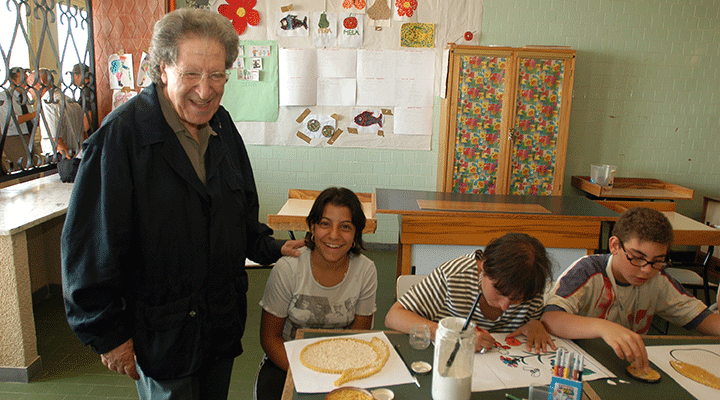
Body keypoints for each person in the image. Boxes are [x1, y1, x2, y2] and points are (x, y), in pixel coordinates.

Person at [61, 9, 304, 400]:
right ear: (162, 69)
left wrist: (272, 247)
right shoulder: (122, 139)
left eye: (216, 75)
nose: (205, 90)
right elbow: (89, 251)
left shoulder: (223, 127)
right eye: (191, 74)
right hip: (161, 334)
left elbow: (239, 216)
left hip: (219, 325)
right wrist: (109, 336)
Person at [542, 207, 720, 373]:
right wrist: (603, 328)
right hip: (579, 364)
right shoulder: (587, 271)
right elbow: (550, 318)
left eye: (658, 260)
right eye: (636, 258)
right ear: (615, 246)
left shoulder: (657, 280)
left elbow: (702, 318)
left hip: (626, 365)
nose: (647, 270)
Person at [256, 187, 378, 400]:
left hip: (343, 364)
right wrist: (312, 374)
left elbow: (358, 337)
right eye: (325, 224)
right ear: (312, 227)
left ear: (356, 233)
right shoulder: (288, 269)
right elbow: (270, 338)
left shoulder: (366, 271)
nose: (334, 235)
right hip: (287, 360)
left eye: (345, 227)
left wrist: (334, 375)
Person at [385, 232, 556, 354]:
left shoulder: (529, 286)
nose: (505, 306)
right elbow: (394, 316)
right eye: (499, 291)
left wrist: (535, 323)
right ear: (484, 267)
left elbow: (532, 323)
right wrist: (451, 336)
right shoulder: (453, 276)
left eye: (516, 300)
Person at [27, 68, 83, 158]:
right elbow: (83, 134)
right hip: (78, 153)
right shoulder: (70, 101)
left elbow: (55, 139)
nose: (28, 89)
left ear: (40, 82)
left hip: (61, 157)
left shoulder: (49, 103)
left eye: (29, 84)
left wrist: (72, 161)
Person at [1, 66, 37, 171]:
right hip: (13, 138)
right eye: (23, 79)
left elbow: (31, 118)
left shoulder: (24, 97)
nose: (26, 83)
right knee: (25, 169)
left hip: (28, 136)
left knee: (35, 168)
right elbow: (12, 121)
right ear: (13, 80)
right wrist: (35, 114)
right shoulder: (4, 97)